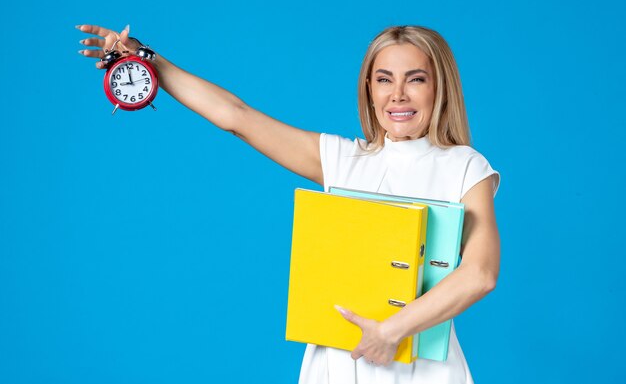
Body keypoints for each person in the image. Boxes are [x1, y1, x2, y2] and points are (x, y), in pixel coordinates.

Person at [77, 24, 500, 384]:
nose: (399, 95)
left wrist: (391, 331)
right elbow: (236, 116)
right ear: (368, 88)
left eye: (416, 79)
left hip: (425, 371)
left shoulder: (464, 166)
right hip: (337, 366)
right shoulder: (341, 160)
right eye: (384, 79)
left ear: (439, 86)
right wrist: (147, 58)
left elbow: (479, 274)